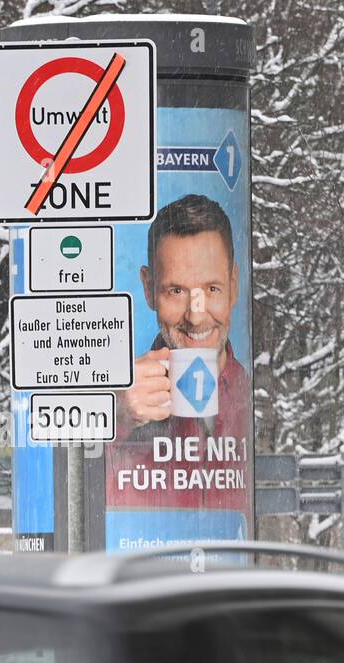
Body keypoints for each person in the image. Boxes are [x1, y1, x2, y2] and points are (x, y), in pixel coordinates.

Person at [107, 194, 251, 513]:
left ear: (234, 285)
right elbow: (72, 504)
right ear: (148, 289)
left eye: (212, 289)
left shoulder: (255, 394)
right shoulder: (118, 405)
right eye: (176, 291)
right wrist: (114, 416)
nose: (196, 316)